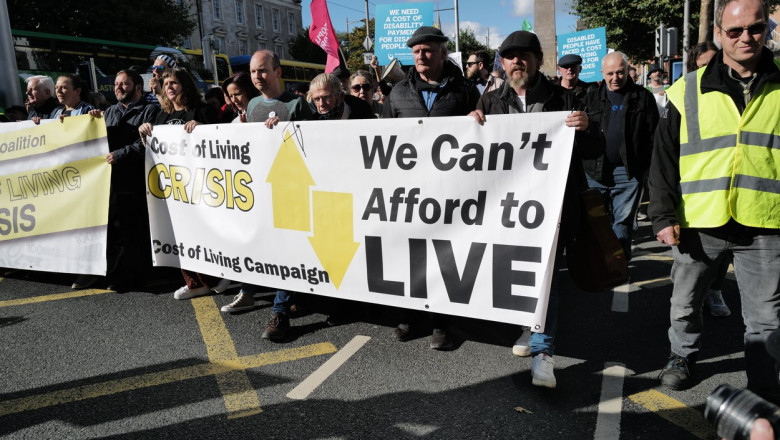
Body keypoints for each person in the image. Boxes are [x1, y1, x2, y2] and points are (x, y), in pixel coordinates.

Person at [650, 0, 780, 402]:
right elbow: (663, 158)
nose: (746, 37)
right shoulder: (687, 89)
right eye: (735, 31)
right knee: (685, 300)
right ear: (720, 34)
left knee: (766, 317)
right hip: (699, 221)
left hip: (764, 222)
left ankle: (763, 382)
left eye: (755, 28)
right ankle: (681, 356)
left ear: (767, 30)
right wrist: (661, 214)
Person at [469, 30, 604, 388]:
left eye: (523, 55)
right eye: (509, 56)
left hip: (553, 210)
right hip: (508, 210)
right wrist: (472, 126)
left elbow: (593, 151)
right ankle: (528, 331)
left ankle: (543, 351)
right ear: (503, 62)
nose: (517, 61)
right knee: (517, 274)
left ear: (537, 57)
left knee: (545, 280)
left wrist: (587, 128)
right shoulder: (492, 101)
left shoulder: (564, 98)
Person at [382, 25, 480, 350]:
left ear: (442, 52)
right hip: (409, 190)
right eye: (416, 51)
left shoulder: (465, 91)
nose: (421, 56)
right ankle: (410, 315)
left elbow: (482, 136)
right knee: (411, 254)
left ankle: (441, 320)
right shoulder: (397, 93)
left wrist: (480, 118)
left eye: (427, 50)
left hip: (449, 189)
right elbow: (380, 141)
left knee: (444, 255)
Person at [224, 51, 312, 336]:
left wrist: (284, 132)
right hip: (262, 192)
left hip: (292, 191)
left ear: (278, 72)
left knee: (287, 250)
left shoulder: (298, 104)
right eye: (252, 72)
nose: (257, 77)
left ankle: (280, 312)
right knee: (267, 247)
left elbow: (314, 146)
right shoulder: (250, 107)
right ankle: (265, 294)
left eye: (262, 71)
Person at [138, 68, 231, 300]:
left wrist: (202, 130)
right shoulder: (161, 117)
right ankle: (195, 282)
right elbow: (152, 150)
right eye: (166, 83)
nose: (169, 87)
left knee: (202, 232)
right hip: (173, 188)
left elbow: (223, 142)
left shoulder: (202, 110)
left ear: (186, 85)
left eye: (174, 83)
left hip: (200, 185)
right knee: (179, 235)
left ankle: (217, 275)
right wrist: (145, 133)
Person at [72, 69, 161, 291]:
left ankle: (136, 276)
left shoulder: (150, 110)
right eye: (116, 84)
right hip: (112, 181)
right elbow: (94, 139)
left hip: (136, 180)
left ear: (138, 88)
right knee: (118, 230)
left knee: (135, 231)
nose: (118, 88)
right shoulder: (108, 111)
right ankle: (119, 272)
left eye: (124, 84)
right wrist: (82, 122)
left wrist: (119, 155)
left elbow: (148, 143)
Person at [582, 52, 659, 260]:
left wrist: (648, 170)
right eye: (610, 73)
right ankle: (598, 264)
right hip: (594, 172)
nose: (615, 78)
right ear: (602, 74)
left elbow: (654, 136)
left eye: (620, 72)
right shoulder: (590, 98)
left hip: (628, 173)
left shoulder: (643, 97)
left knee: (622, 222)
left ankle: (619, 264)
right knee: (596, 221)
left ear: (627, 70)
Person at [687, 40, 733, 318]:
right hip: (697, 197)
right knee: (696, 263)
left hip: (734, 195)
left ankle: (715, 290)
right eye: (704, 65)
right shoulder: (686, 95)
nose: (713, 70)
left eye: (717, 62)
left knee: (724, 256)